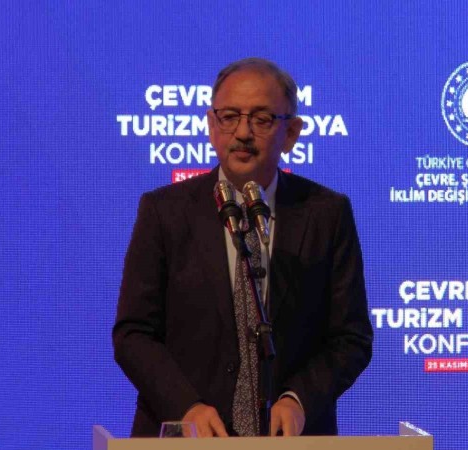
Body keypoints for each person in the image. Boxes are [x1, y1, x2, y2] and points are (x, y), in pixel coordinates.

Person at [113, 57, 372, 437]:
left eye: (262, 119)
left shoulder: (326, 214)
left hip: (290, 440)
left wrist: (298, 399)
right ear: (211, 125)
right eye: (230, 117)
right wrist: (186, 407)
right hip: (184, 437)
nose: (243, 132)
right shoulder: (164, 212)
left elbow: (351, 338)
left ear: (291, 133)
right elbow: (133, 334)